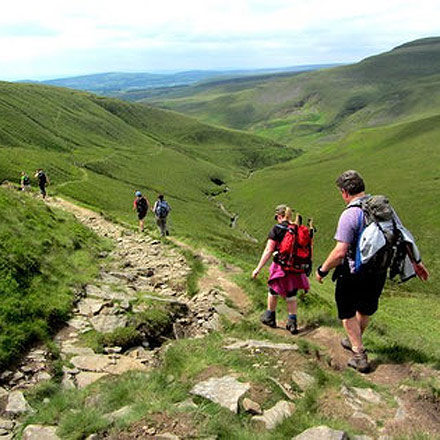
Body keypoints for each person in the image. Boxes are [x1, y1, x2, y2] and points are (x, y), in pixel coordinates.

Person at [316, 170, 429, 373]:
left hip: (352, 273)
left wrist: (322, 270)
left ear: (344, 192)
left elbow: (340, 252)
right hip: (378, 272)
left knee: (347, 311)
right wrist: (416, 263)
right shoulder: (384, 208)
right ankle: (355, 338)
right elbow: (403, 235)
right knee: (366, 308)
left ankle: (359, 354)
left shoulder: (350, 214)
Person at [252, 204, 310, 334]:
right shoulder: (298, 229)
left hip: (281, 267)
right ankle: (292, 323)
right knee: (291, 295)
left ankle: (270, 316)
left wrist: (258, 268)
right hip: (296, 268)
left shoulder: (277, 229)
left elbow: (268, 250)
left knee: (273, 291)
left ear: (279, 216)